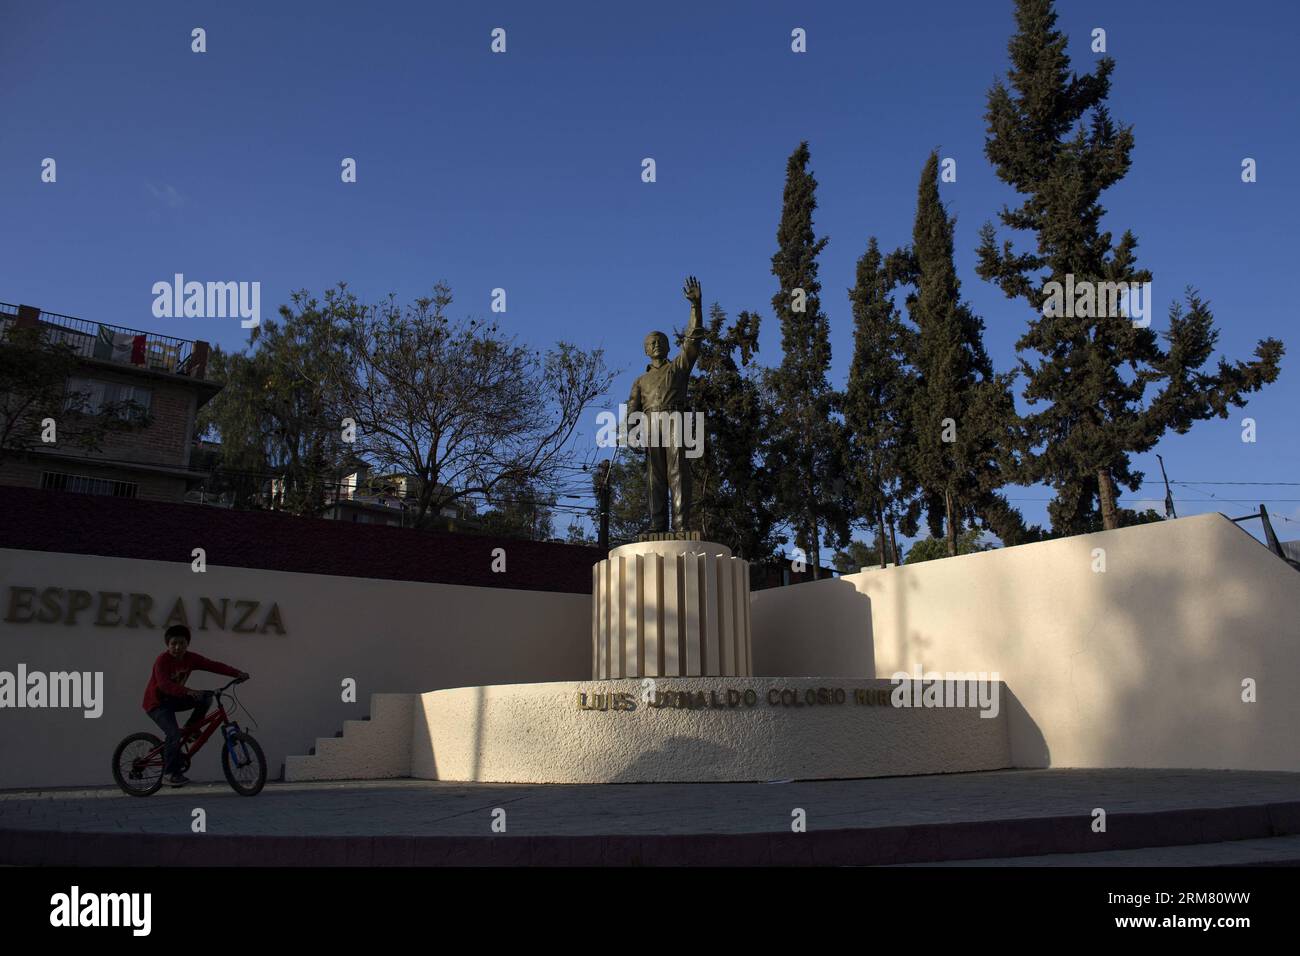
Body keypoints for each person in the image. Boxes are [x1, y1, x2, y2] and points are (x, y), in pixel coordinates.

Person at [141, 624, 248, 788]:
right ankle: (169, 774)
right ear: (167, 645)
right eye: (174, 643)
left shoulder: (191, 658)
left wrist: (237, 673)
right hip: (157, 704)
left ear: (187, 644)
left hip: (175, 699)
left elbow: (213, 665)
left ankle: (191, 729)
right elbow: (164, 685)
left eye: (182, 643)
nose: (178, 647)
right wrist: (188, 691)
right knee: (174, 734)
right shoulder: (162, 660)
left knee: (206, 697)